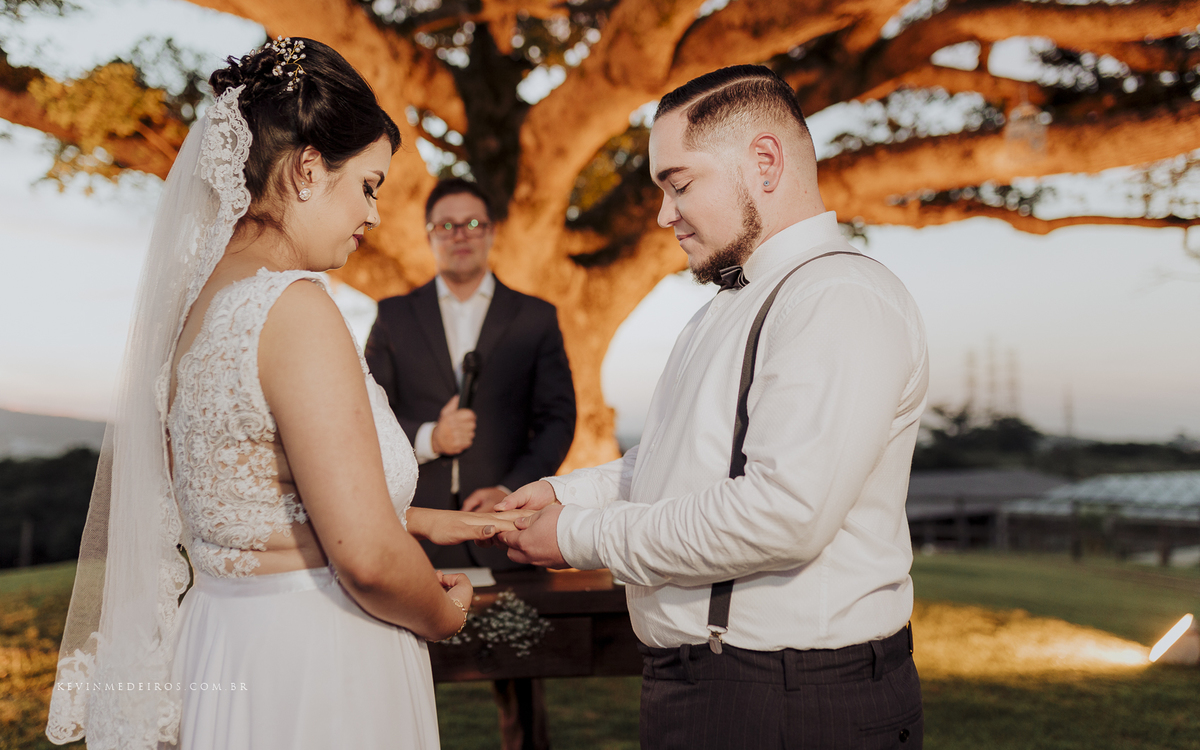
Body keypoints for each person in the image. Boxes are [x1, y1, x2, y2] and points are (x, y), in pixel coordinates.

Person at [46, 39, 526, 750]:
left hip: (224, 641)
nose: (371, 214)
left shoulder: (197, 309)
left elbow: (250, 498)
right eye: (367, 184)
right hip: (315, 664)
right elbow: (364, 557)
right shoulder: (294, 308)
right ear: (307, 170)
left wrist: (418, 520)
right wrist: (445, 613)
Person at [495, 65, 929, 749]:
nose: (665, 213)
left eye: (680, 183)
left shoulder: (836, 297)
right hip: (712, 690)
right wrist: (557, 493)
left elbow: (784, 514)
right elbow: (674, 462)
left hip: (791, 702)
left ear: (764, 162)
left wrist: (580, 536)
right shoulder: (729, 307)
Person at [365, 178, 576, 750]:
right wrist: (432, 436)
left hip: (503, 532)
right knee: (400, 681)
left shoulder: (534, 317)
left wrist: (512, 486)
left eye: (473, 224)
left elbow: (558, 418)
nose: (461, 236)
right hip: (412, 532)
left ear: (492, 233)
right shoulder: (394, 316)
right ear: (430, 235)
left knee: (522, 690)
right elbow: (361, 416)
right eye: (447, 225)